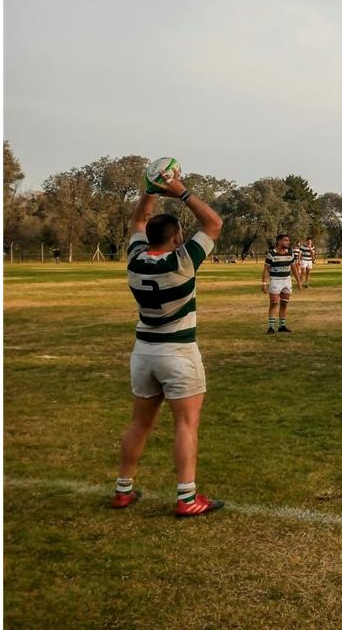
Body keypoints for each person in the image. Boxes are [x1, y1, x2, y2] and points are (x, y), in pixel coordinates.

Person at [111, 175, 224, 516]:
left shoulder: (134, 259)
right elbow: (214, 222)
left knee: (139, 423)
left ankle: (122, 490)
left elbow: (137, 221)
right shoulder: (182, 260)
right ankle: (187, 498)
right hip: (178, 353)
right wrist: (180, 191)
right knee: (185, 425)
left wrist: (149, 189)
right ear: (176, 237)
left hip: (143, 352)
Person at [262, 234, 298, 334]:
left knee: (284, 303)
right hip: (275, 280)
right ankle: (271, 327)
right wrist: (264, 283)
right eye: (286, 240)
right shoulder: (271, 254)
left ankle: (282, 326)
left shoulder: (290, 253)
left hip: (287, 280)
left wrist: (298, 281)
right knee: (274, 303)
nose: (288, 242)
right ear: (279, 241)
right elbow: (266, 269)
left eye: (288, 240)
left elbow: (294, 267)